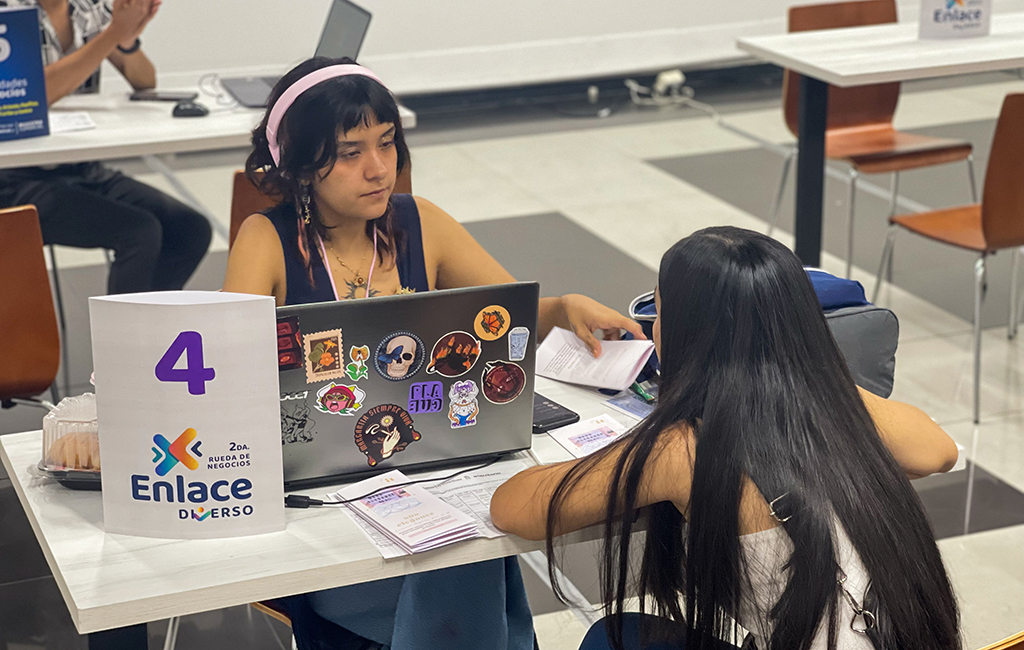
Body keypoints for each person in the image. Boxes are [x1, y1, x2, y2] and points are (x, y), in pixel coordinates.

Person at [222, 56, 646, 650]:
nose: (378, 169)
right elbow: (221, 368)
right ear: (299, 166)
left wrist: (564, 306)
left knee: (475, 537)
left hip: (436, 469)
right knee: (464, 560)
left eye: (388, 143)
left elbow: (507, 312)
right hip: (330, 499)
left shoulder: (420, 222)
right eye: (349, 153)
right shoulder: (266, 241)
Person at [491, 226, 961, 650]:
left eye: (660, 311)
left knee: (610, 641)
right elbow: (937, 450)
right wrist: (805, 371)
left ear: (686, 333)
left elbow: (515, 506)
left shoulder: (683, 449)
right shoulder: (835, 407)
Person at [0, 0, 212, 294]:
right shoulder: (7, 11)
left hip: (83, 167)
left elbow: (145, 81)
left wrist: (125, 41)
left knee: (191, 228)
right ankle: (120, 336)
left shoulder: (88, 8)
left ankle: (150, 323)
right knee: (140, 233)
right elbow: (35, 94)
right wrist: (111, 34)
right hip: (17, 179)